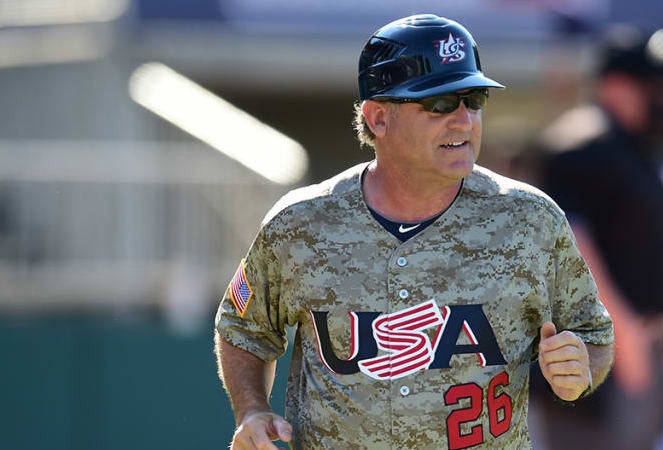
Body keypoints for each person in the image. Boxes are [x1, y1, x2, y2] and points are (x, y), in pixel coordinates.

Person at [214, 14, 614, 450]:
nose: (464, 121)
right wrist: (251, 409)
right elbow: (244, 331)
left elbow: (593, 335)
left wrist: (581, 369)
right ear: (378, 118)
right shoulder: (301, 223)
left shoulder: (531, 220)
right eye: (440, 103)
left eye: (474, 99)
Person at [528, 26, 663, 450]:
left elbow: (645, 248)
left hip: (643, 351)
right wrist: (622, 336)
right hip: (593, 353)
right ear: (616, 85)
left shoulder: (646, 149)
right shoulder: (581, 144)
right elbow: (570, 244)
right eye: (656, 87)